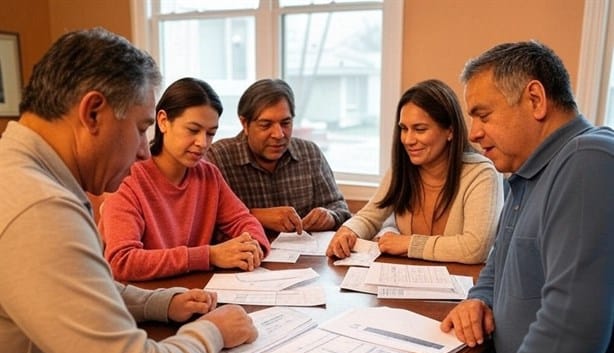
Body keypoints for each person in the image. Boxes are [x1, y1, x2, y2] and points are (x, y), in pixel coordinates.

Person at [0, 28, 258, 353]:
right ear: (93, 112)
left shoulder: (20, 176)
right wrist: (213, 332)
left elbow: (85, 285)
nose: (142, 149)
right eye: (140, 128)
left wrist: (161, 303)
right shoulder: (41, 207)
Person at [423, 41, 614, 353]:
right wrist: (480, 298)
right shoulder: (527, 174)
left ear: (535, 99)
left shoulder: (587, 163)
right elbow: (500, 260)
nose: (473, 133)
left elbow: (571, 329)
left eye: (483, 115)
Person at [99, 77, 270, 282]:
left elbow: (243, 220)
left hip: (195, 295)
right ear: (163, 121)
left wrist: (251, 247)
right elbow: (122, 261)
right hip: (142, 303)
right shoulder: (127, 179)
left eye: (211, 133)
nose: (202, 143)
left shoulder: (209, 175)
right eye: (193, 130)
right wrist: (209, 255)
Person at [326, 79, 503, 264]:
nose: (408, 140)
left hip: (463, 286)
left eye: (420, 129)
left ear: (450, 131)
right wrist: (348, 231)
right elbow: (370, 216)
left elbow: (475, 248)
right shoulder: (402, 169)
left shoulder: (481, 174)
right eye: (404, 129)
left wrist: (409, 244)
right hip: (407, 282)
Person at [205, 78, 351, 234]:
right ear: (244, 124)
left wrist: (330, 216)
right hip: (247, 256)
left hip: (307, 255)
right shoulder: (218, 158)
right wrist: (257, 216)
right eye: (266, 125)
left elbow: (340, 208)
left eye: (286, 123)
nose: (279, 134)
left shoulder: (310, 154)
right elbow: (208, 222)